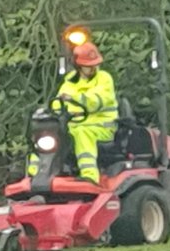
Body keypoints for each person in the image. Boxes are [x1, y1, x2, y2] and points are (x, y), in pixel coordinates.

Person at [29, 41, 118, 183]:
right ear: (78, 66)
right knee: (46, 133)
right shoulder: (69, 82)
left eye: (94, 64)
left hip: (102, 127)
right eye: (88, 66)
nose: (93, 68)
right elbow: (58, 103)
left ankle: (89, 175)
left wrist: (74, 98)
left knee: (82, 132)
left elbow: (97, 101)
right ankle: (34, 174)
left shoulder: (104, 79)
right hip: (73, 125)